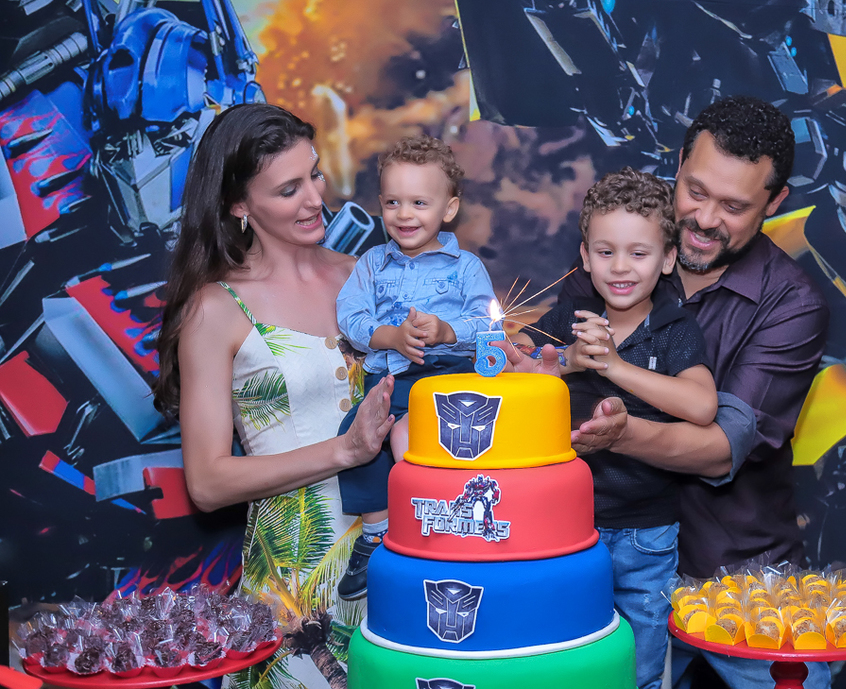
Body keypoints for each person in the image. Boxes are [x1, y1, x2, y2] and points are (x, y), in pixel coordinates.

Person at [514, 95, 831, 689]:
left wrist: (618, 432)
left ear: (775, 202)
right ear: (679, 164)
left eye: (734, 206)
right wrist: (527, 367)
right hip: (600, 555)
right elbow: (544, 356)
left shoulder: (792, 305)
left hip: (733, 573)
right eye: (695, 191)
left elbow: (721, 447)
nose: (705, 219)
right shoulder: (615, 251)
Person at [154, 103, 397, 689]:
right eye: (289, 190)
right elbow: (207, 482)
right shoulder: (215, 309)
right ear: (239, 205)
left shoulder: (368, 276)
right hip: (297, 592)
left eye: (314, 174)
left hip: (401, 560)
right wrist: (343, 451)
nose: (315, 199)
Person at [515, 167, 719, 689]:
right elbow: (515, 367)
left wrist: (614, 365)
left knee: (640, 666)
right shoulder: (571, 316)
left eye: (639, 253)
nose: (621, 267)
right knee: (567, 657)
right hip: (564, 525)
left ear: (668, 258)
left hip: (645, 533)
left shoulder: (674, 328)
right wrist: (565, 361)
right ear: (585, 256)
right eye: (606, 252)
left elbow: (702, 405)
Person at [333, 134, 496, 600]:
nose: (404, 214)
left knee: (411, 436)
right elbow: (351, 315)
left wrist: (445, 330)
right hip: (389, 380)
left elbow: (488, 323)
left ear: (449, 208)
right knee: (358, 433)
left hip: (445, 382)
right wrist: (390, 336)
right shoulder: (371, 264)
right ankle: (375, 533)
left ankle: (436, 522)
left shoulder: (465, 267)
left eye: (419, 203)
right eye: (393, 202)